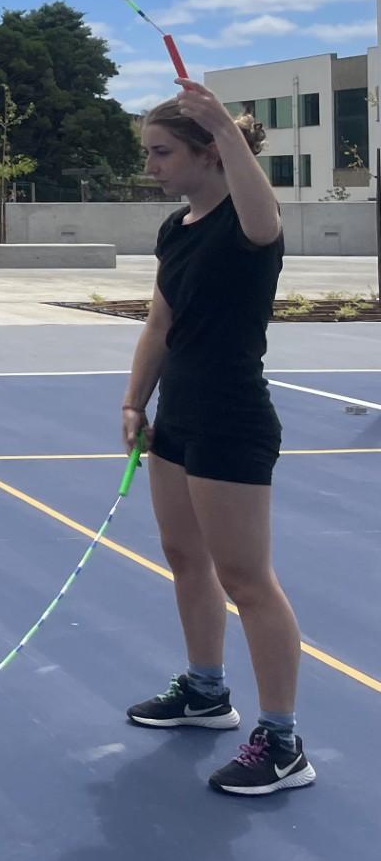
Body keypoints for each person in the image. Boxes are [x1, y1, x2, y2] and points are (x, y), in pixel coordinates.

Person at [120, 79, 313, 795]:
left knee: (248, 581)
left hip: (233, 419)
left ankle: (285, 742)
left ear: (207, 153)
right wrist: (135, 401)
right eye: (148, 152)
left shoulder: (250, 224)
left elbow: (263, 208)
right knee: (183, 556)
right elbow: (159, 326)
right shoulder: (178, 230)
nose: (152, 167)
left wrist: (223, 125)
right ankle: (206, 693)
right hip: (180, 416)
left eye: (163, 152)